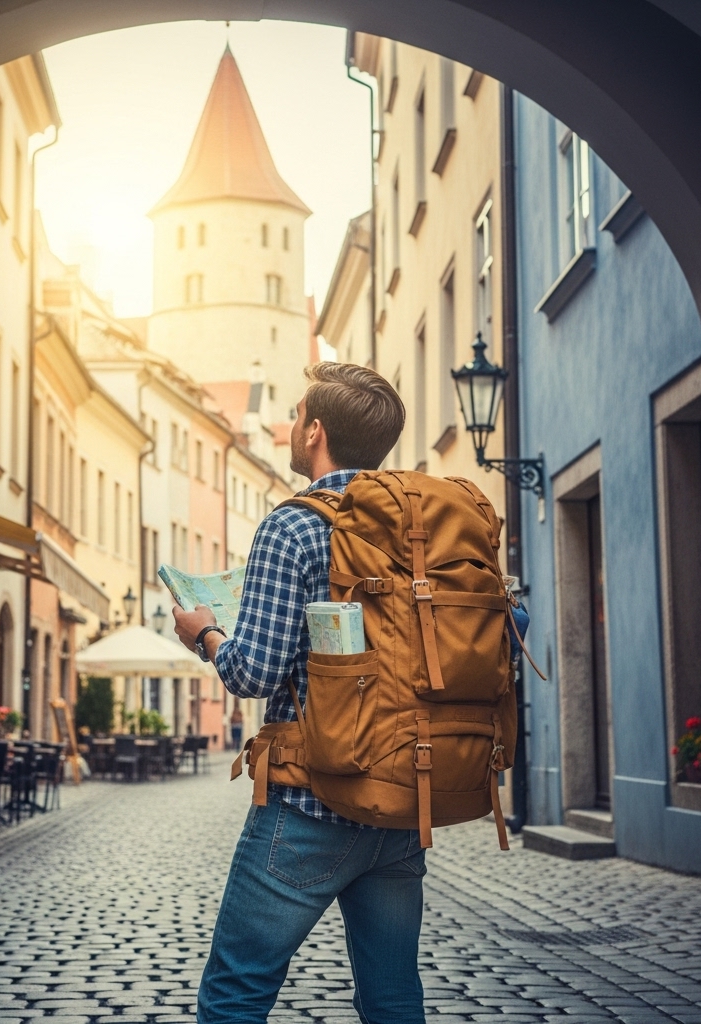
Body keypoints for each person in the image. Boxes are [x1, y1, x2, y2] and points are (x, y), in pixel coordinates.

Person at [173, 363, 419, 1024]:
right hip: (400, 801)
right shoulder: (417, 527)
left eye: (295, 414)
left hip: (311, 802)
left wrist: (206, 634)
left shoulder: (294, 527)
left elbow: (253, 673)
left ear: (314, 432)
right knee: (394, 997)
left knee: (234, 992)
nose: (289, 425)